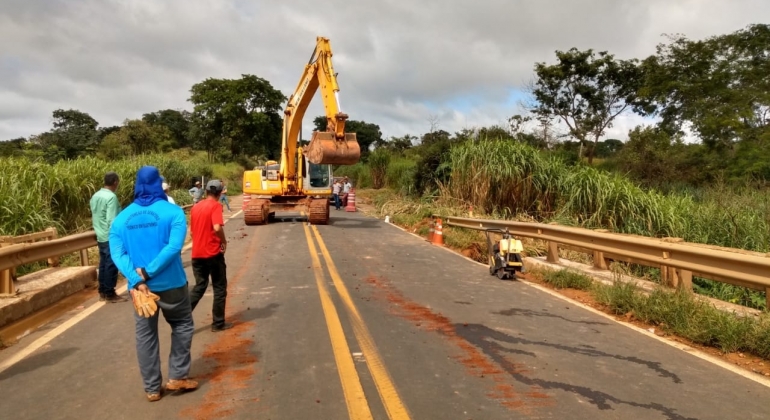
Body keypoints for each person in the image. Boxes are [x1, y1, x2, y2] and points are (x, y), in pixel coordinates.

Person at [109, 166, 198, 402]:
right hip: (172, 285)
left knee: (145, 336)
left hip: (140, 292)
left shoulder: (121, 219)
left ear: (137, 186)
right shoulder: (173, 213)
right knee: (182, 325)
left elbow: (118, 254)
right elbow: (174, 247)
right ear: (158, 184)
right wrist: (148, 272)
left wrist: (137, 280)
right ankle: (178, 375)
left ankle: (152, 388)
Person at [189, 180, 233, 332]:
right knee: (220, 287)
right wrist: (224, 241)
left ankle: (181, 317)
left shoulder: (196, 207)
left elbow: (191, 232)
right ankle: (218, 323)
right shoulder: (215, 206)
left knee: (200, 286)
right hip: (213, 253)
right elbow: (216, 227)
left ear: (206, 191)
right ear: (220, 193)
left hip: (197, 253)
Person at [89, 171, 127, 303]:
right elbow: (112, 220)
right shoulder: (111, 197)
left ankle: (103, 291)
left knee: (103, 264)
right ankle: (110, 292)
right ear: (115, 182)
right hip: (110, 235)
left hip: (100, 234)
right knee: (111, 264)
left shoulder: (95, 196)